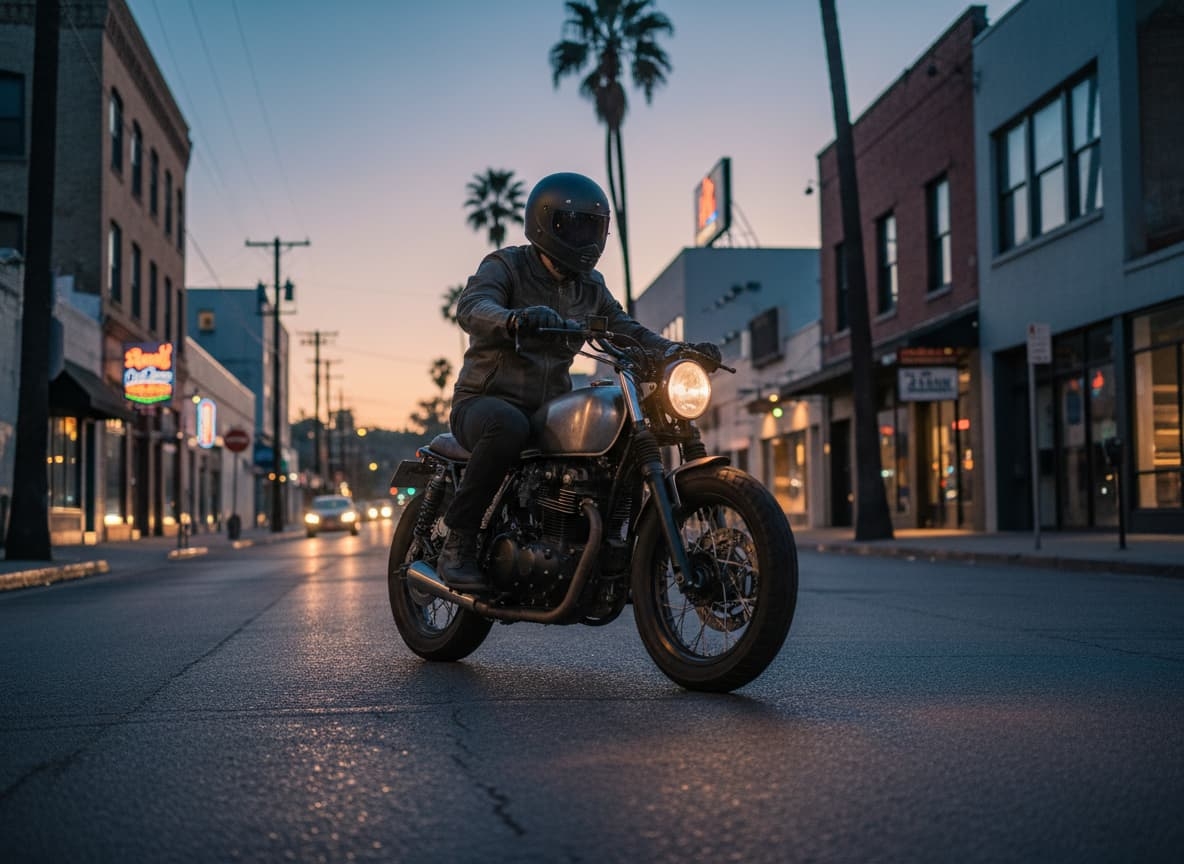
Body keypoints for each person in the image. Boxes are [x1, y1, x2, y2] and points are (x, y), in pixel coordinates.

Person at [439, 172, 722, 593]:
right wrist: (514, 319)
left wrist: (676, 350)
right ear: (545, 223)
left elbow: (626, 328)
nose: (585, 239)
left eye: (593, 228)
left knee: (617, 444)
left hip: (547, 409)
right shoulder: (507, 265)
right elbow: (473, 306)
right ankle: (458, 543)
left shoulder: (590, 287)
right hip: (484, 402)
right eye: (573, 226)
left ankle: (610, 553)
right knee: (508, 426)